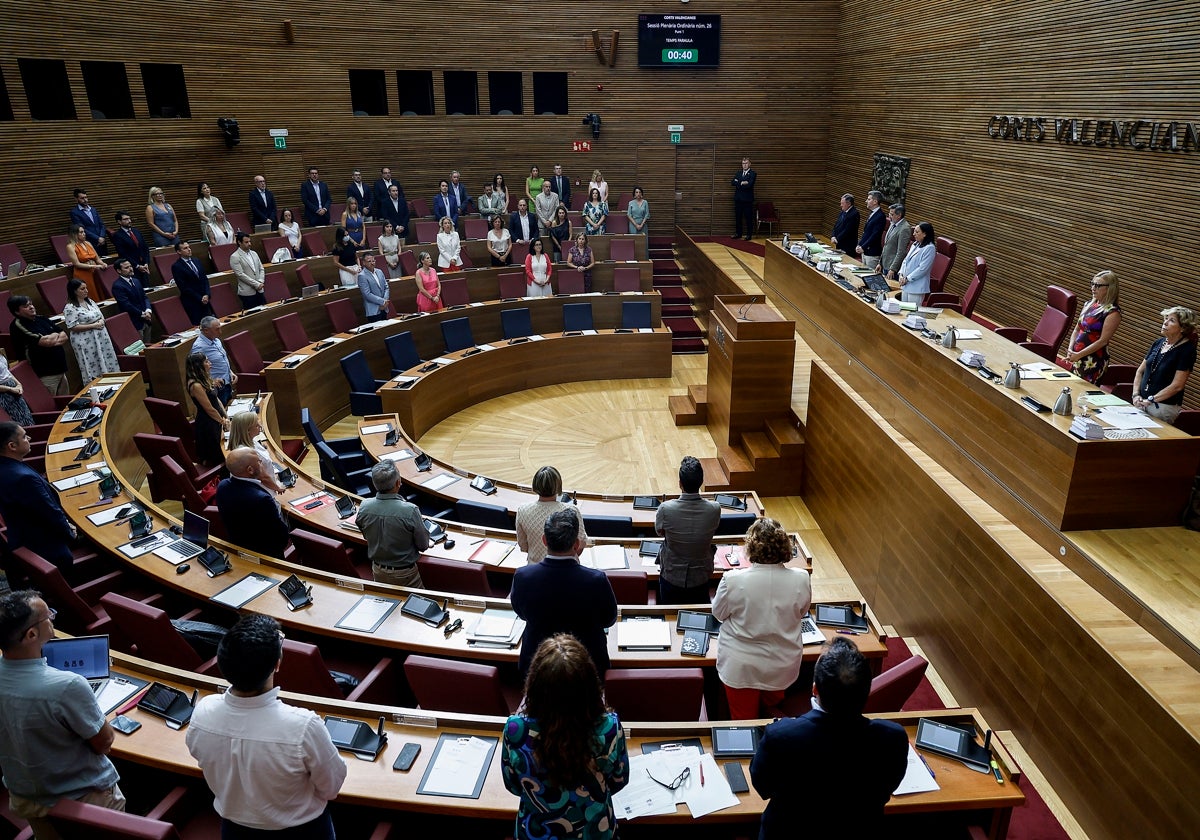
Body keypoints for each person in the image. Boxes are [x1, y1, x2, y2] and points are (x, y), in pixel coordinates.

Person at [186, 613, 346, 838]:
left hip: (234, 831)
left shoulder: (203, 712)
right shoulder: (304, 726)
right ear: (277, 664)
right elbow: (331, 787)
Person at [749, 637, 908, 837]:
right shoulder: (892, 738)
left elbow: (762, 787)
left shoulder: (780, 737)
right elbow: (888, 786)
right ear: (866, 692)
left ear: (815, 689)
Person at [0, 590, 125, 839]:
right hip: (83, 802)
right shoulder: (67, 685)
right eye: (48, 616)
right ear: (32, 634)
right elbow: (104, 742)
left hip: (26, 798)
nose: (53, 619)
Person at [501, 634, 628, 840]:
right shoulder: (609, 728)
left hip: (535, 833)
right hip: (595, 832)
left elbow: (512, 785)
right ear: (590, 685)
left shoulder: (515, 730)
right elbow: (618, 781)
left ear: (534, 684)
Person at [712, 518, 812, 719]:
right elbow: (802, 612)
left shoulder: (733, 579)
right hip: (781, 665)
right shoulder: (801, 577)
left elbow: (718, 613)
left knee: (744, 721)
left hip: (741, 667)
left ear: (750, 548)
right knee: (769, 712)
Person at [510, 508, 617, 675]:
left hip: (538, 666)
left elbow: (522, 613)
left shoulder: (523, 576)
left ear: (544, 540)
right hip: (587, 667)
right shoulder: (596, 580)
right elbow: (608, 620)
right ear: (576, 544)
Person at [0, 423, 77, 571]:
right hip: (51, 553)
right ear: (12, 446)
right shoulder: (24, 479)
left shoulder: (6, 468)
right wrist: (70, 531)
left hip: (23, 537)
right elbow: (50, 513)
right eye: (24, 437)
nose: (29, 438)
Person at [655, 455, 721, 604]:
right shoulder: (715, 509)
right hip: (701, 576)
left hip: (671, 575)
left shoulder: (665, 509)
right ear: (701, 482)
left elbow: (660, 531)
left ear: (680, 483)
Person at [356, 461, 430, 588]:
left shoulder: (364, 506)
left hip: (377, 570)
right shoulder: (410, 510)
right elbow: (423, 545)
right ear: (398, 483)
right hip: (405, 573)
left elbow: (365, 534)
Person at [216, 447, 291, 559]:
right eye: (259, 462)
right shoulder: (262, 499)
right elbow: (281, 537)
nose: (261, 463)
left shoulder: (222, 486)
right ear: (250, 470)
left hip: (239, 549)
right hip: (268, 557)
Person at [1132, 306, 1197, 425]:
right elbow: (1140, 371)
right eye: (1166, 318)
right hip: (1141, 402)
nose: (1165, 322)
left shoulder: (1187, 350)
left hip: (1161, 407)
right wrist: (1136, 394)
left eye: (1171, 320)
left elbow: (1177, 386)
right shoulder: (1158, 343)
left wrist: (1151, 399)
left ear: (1183, 328)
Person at [514, 466, 588, 564]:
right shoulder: (572, 510)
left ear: (535, 485)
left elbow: (523, 546)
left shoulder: (523, 510)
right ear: (558, 485)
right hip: (568, 569)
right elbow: (581, 544)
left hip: (535, 569)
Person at [1066, 271, 1122, 384]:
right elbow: (1077, 329)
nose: (1093, 288)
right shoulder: (1088, 304)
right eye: (1092, 284)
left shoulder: (1112, 312)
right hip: (1077, 357)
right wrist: (1070, 349)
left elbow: (1102, 341)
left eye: (1098, 285)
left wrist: (1079, 355)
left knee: (1084, 392)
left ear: (1110, 288)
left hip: (1094, 360)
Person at [6, 296, 70, 396]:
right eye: (26, 306)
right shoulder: (18, 325)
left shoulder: (41, 319)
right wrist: (55, 335)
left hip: (60, 370)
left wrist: (51, 338)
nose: (31, 307)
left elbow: (65, 336)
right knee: (52, 406)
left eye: (31, 304)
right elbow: (45, 342)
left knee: (66, 402)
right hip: (44, 374)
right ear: (17, 312)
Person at [63, 278, 119, 382]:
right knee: (92, 364)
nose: (86, 291)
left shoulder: (90, 302)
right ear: (74, 291)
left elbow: (100, 315)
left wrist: (101, 321)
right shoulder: (70, 307)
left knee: (107, 360)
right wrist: (94, 326)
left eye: (86, 288)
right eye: (82, 289)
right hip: (85, 341)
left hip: (101, 337)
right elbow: (72, 326)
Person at [186, 351, 228, 468]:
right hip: (209, 423)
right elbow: (209, 408)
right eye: (206, 361)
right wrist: (222, 421)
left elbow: (216, 399)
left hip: (217, 417)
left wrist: (225, 416)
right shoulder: (195, 385)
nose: (210, 363)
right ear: (198, 366)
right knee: (219, 455)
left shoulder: (205, 378)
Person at [227, 411, 286, 493]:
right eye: (256, 425)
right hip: (262, 493)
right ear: (248, 430)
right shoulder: (247, 453)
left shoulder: (251, 440)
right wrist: (278, 488)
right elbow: (263, 477)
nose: (260, 426)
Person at [194, 316, 238, 405]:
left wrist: (230, 372)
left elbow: (221, 360)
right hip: (216, 388)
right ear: (206, 330)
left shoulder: (216, 340)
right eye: (217, 329)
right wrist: (210, 382)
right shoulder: (199, 347)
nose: (220, 332)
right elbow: (195, 370)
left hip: (226, 384)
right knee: (221, 415)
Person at [112, 258, 154, 344]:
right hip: (134, 322)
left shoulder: (136, 281)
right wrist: (142, 314)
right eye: (126, 268)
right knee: (140, 350)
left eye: (130, 266)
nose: (131, 269)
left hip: (146, 319)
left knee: (149, 347)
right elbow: (126, 305)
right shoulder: (117, 286)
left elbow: (144, 297)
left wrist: (148, 310)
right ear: (119, 271)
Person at [172, 241, 213, 325]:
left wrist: (207, 294)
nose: (189, 250)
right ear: (179, 252)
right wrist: (200, 298)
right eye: (185, 248)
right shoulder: (176, 266)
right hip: (193, 302)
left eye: (189, 247)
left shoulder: (196, 260)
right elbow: (184, 287)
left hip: (205, 300)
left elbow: (204, 279)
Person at [896, 221, 936, 304]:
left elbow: (922, 269)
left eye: (917, 232)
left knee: (913, 314)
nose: (913, 234)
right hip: (905, 284)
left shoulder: (930, 248)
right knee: (903, 310)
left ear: (925, 234)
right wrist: (901, 274)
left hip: (916, 287)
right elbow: (905, 261)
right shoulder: (915, 244)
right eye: (914, 231)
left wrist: (907, 279)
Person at [65, 223, 106, 301]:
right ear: (74, 234)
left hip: (94, 272)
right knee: (91, 294)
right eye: (81, 232)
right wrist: (94, 266)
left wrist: (102, 263)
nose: (84, 234)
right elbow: (77, 264)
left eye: (84, 231)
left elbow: (97, 259)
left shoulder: (88, 243)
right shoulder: (70, 246)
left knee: (99, 293)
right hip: (83, 274)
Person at [111, 211, 152, 283]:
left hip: (144, 267)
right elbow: (123, 254)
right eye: (126, 219)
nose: (129, 221)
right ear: (119, 222)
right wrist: (137, 266)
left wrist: (146, 263)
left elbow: (145, 248)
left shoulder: (136, 231)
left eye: (129, 219)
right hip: (132, 269)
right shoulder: (117, 235)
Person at [230, 231, 267, 307]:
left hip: (259, 290)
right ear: (239, 242)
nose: (249, 244)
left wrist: (260, 281)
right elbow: (240, 274)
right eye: (246, 242)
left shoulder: (254, 253)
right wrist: (256, 284)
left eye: (250, 241)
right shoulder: (235, 256)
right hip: (247, 293)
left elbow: (261, 268)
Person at [880, 203, 912, 282]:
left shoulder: (905, 228)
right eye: (889, 213)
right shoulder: (893, 223)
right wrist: (880, 263)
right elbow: (886, 245)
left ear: (899, 215)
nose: (889, 216)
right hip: (885, 264)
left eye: (891, 214)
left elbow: (901, 252)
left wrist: (893, 269)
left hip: (892, 268)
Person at [70, 188, 108, 255]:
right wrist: (97, 238)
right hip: (90, 242)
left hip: (102, 242)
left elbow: (102, 224)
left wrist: (102, 237)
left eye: (86, 197)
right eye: (82, 198)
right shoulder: (74, 212)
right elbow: (81, 229)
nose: (85, 200)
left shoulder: (93, 209)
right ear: (76, 199)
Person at [357, 252, 392, 322]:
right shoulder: (362, 276)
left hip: (384, 307)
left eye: (373, 261)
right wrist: (382, 301)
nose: (372, 263)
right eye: (369, 261)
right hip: (373, 310)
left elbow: (386, 287)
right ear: (363, 263)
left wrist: (385, 301)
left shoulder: (379, 271)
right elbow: (367, 294)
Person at [855, 190, 886, 269]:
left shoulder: (880, 216)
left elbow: (875, 235)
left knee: (869, 276)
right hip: (865, 251)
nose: (866, 201)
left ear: (875, 201)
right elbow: (866, 232)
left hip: (872, 253)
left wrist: (863, 247)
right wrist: (860, 245)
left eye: (869, 199)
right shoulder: (872, 213)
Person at [0, 356, 32, 426]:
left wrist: (18, 383)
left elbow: (7, 371)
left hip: (13, 386)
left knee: (26, 416)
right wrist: (10, 389)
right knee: (17, 421)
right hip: (3, 393)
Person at [731, 157, 756, 240]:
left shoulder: (752, 173)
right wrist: (742, 182)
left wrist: (739, 182)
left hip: (747, 200)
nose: (744, 165)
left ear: (749, 164)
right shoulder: (738, 173)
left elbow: (749, 185)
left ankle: (749, 235)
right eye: (743, 163)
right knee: (738, 218)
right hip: (738, 199)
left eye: (746, 163)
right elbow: (732, 182)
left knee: (748, 218)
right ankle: (738, 233)